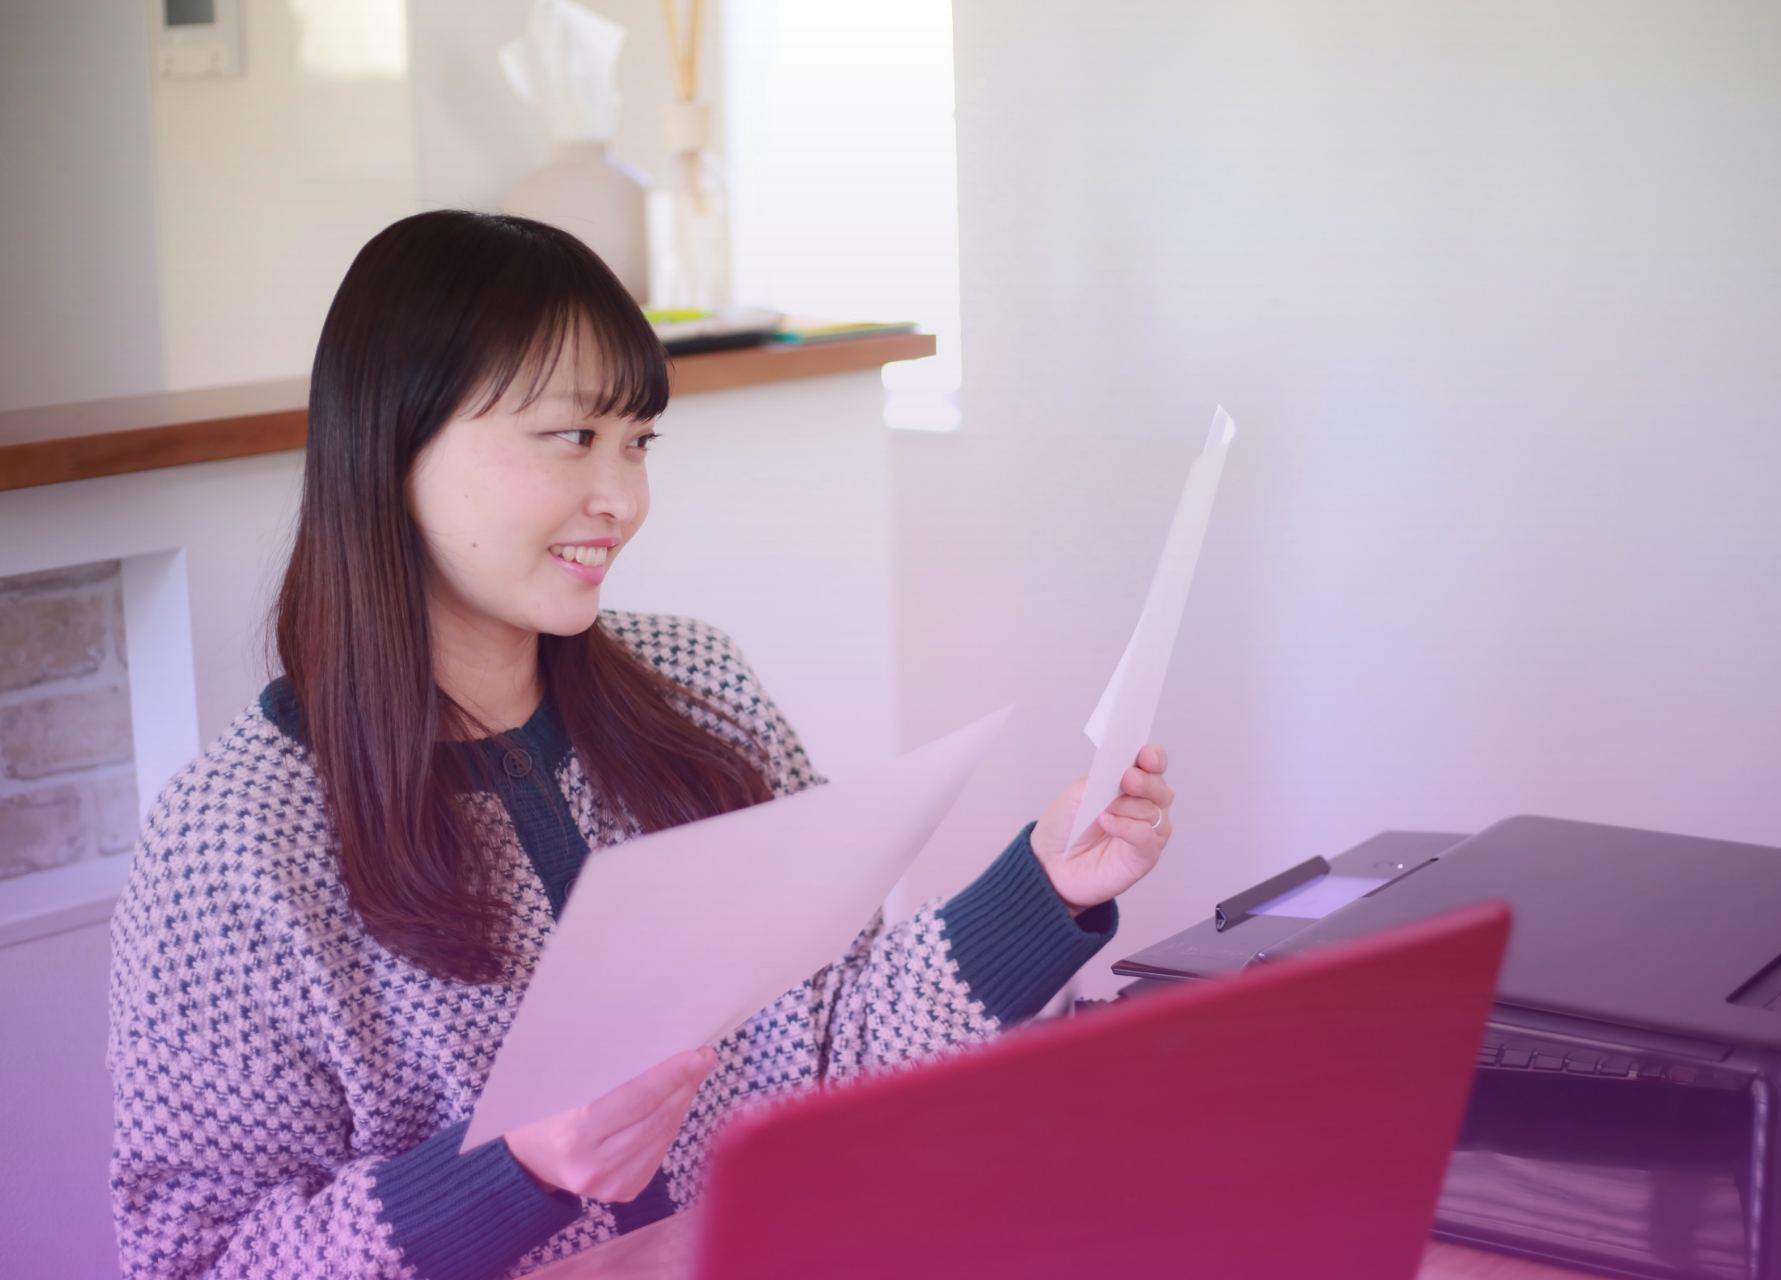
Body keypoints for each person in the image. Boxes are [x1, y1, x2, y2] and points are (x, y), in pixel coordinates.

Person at [106, 211, 1175, 1280]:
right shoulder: (232, 847)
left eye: (638, 441)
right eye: (573, 436)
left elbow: (838, 1043)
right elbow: (199, 1261)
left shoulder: (701, 692)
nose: (623, 499)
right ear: (395, 445)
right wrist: (512, 1172)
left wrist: (1043, 889)